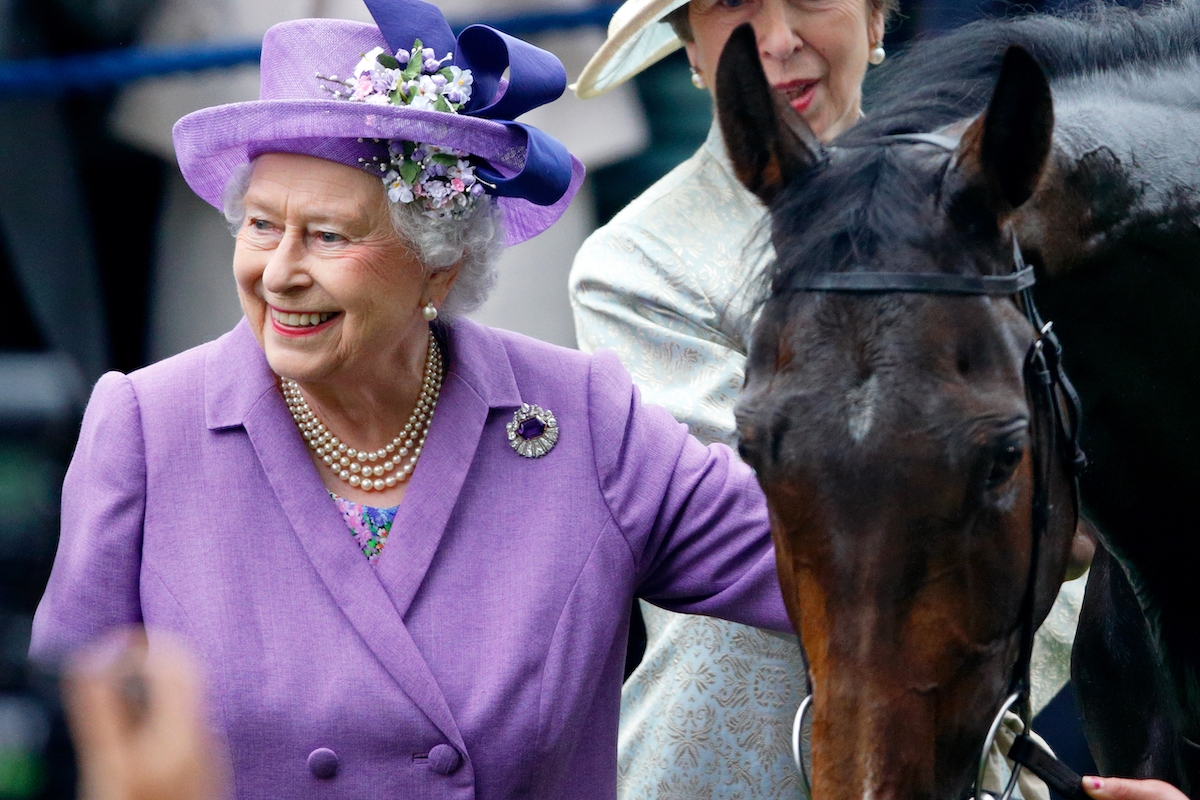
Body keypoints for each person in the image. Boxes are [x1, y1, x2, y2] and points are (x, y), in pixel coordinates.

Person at [28, 1, 792, 795]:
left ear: (440, 264)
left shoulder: (583, 420)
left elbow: (833, 559)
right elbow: (68, 738)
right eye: (260, 225)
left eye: (328, 235)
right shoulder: (147, 430)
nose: (279, 271)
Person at [569, 0, 1090, 797]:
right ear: (693, 51)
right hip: (727, 761)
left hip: (965, 741)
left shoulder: (1001, 220)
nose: (780, 39)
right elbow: (794, 516)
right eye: (731, 5)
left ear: (878, 20)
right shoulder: (636, 267)